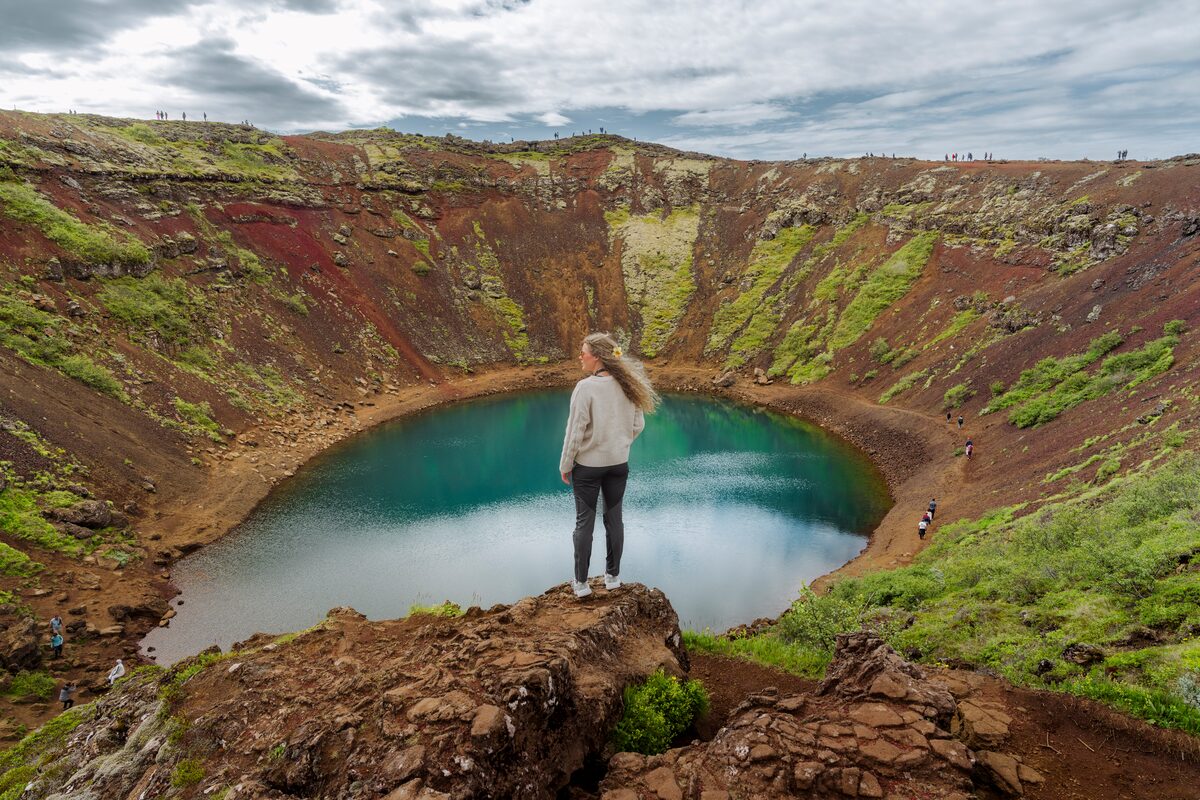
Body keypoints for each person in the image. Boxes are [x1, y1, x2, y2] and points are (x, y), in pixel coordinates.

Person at [560, 333, 658, 598]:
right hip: (618, 464)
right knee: (614, 519)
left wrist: (566, 464)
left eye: (584, 352)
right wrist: (620, 445)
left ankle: (581, 584)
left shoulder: (585, 388)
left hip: (588, 468)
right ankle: (613, 577)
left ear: (599, 357)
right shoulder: (628, 383)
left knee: (584, 524)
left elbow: (575, 432)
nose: (580, 356)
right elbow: (638, 425)